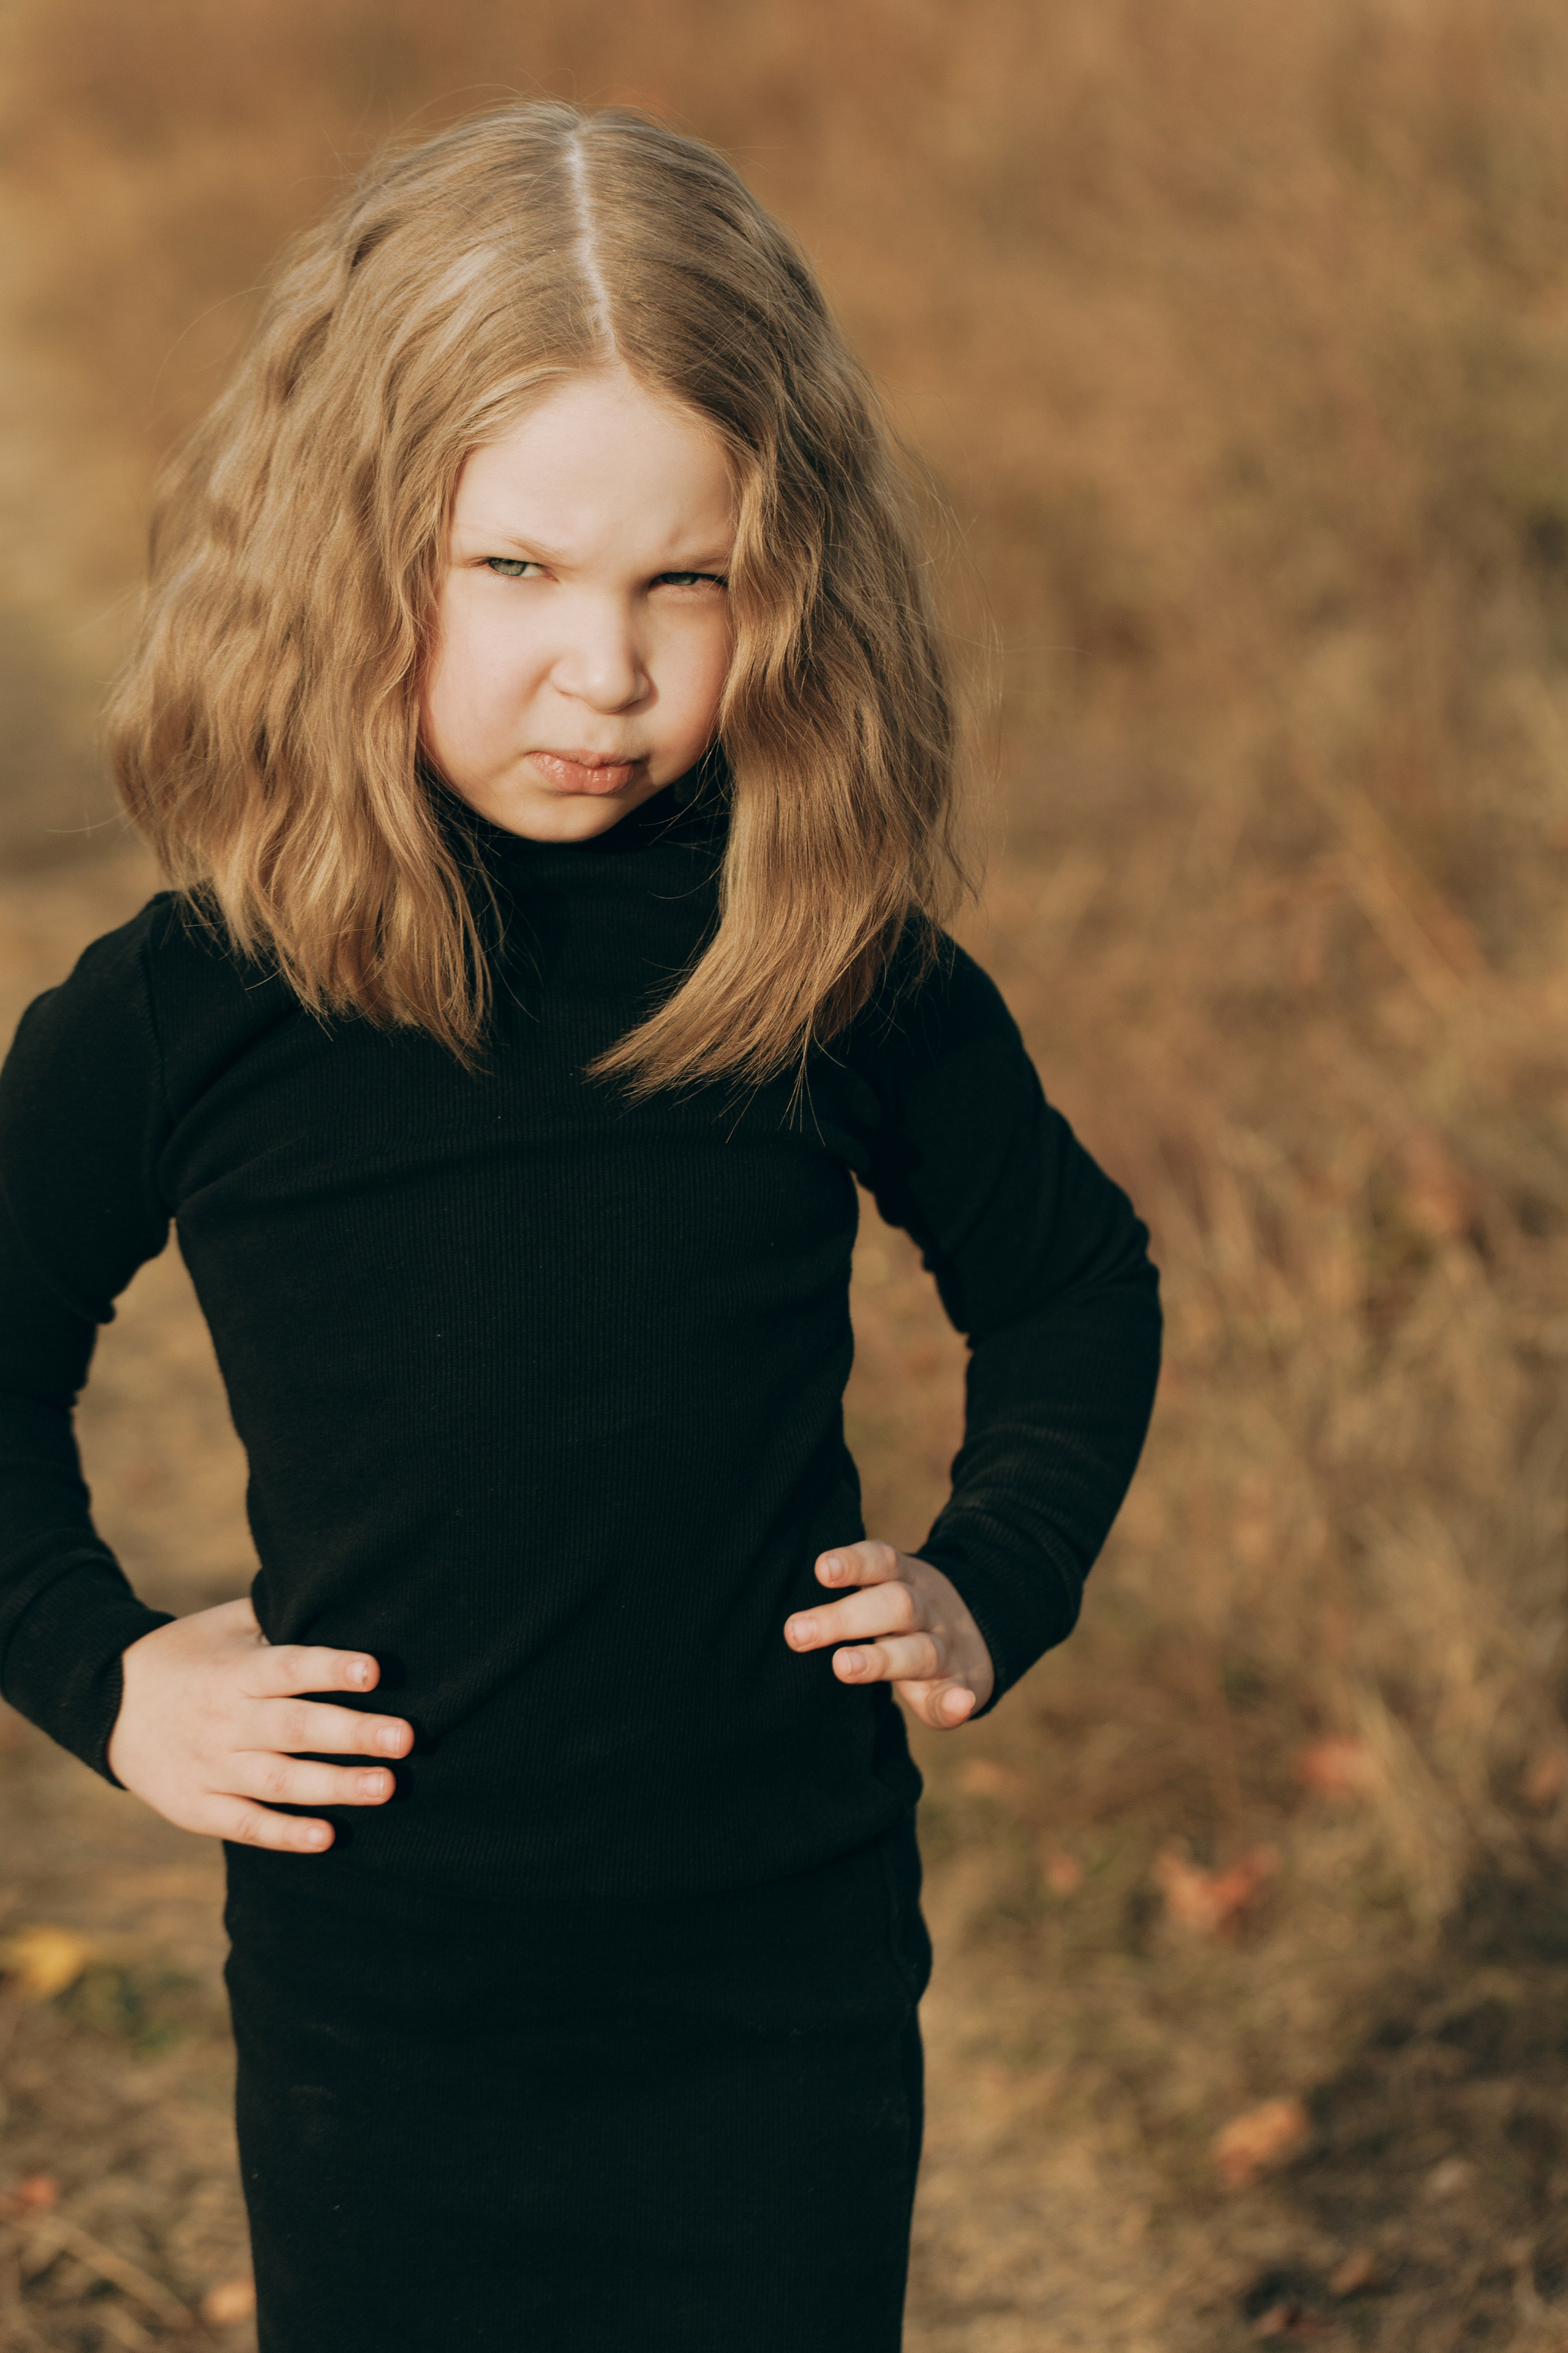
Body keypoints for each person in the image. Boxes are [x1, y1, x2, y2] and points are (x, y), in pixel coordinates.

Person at [0, 103, 1161, 2352]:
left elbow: (1072, 1285)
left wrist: (994, 1572)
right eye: (512, 571)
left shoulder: (830, 956)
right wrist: (96, 1663)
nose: (605, 671)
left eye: (685, 580)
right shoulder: (192, 1002)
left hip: (784, 1982)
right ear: (351, 555)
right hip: (384, 2012)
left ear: (789, 576)